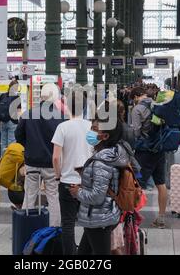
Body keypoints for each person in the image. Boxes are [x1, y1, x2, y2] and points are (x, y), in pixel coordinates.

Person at [69, 117, 134, 255]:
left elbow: (97, 197)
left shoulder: (101, 162)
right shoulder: (110, 156)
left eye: (94, 129)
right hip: (99, 216)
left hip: (98, 218)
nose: (90, 133)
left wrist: (77, 192)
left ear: (105, 136)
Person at [15, 84, 64, 227]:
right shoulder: (60, 117)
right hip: (51, 162)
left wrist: (29, 146)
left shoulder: (28, 113)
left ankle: (26, 226)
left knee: (29, 195)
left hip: (32, 161)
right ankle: (54, 227)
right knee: (53, 196)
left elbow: (18, 134)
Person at [52, 90, 92, 255]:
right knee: (90, 222)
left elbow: (55, 157)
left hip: (67, 182)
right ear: (84, 107)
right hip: (87, 183)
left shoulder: (62, 127)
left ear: (67, 106)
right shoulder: (92, 127)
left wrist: (58, 175)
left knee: (67, 224)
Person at [130, 86, 168, 229]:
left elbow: (136, 131)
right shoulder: (160, 105)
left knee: (136, 184)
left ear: (136, 96)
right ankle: (161, 218)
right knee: (161, 184)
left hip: (144, 151)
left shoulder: (137, 109)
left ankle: (132, 217)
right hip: (160, 149)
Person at [0, 80, 21, 156]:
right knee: (11, 143)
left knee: (3, 143)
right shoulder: (16, 97)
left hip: (3, 121)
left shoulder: (2, 95)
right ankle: (9, 163)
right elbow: (19, 112)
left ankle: (2, 163)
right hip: (12, 122)